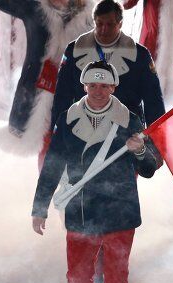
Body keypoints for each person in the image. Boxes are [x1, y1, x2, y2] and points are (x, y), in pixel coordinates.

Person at [32, 61, 162, 283]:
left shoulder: (130, 119)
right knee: (77, 277)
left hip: (120, 212)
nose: (99, 91)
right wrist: (40, 207)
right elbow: (53, 163)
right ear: (84, 86)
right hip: (81, 210)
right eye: (93, 85)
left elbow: (150, 168)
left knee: (117, 281)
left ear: (114, 87)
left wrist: (140, 151)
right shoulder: (68, 118)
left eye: (105, 85)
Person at [45, 0, 165, 167]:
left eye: (110, 24)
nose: (103, 30)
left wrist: (156, 143)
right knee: (78, 187)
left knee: (122, 187)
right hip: (82, 131)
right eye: (99, 24)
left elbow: (153, 102)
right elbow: (62, 96)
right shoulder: (74, 50)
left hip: (126, 135)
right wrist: (56, 134)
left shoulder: (140, 55)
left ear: (120, 23)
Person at [0, 0, 94, 154]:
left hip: (72, 101)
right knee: (46, 157)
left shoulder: (93, 18)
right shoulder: (35, 8)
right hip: (32, 99)